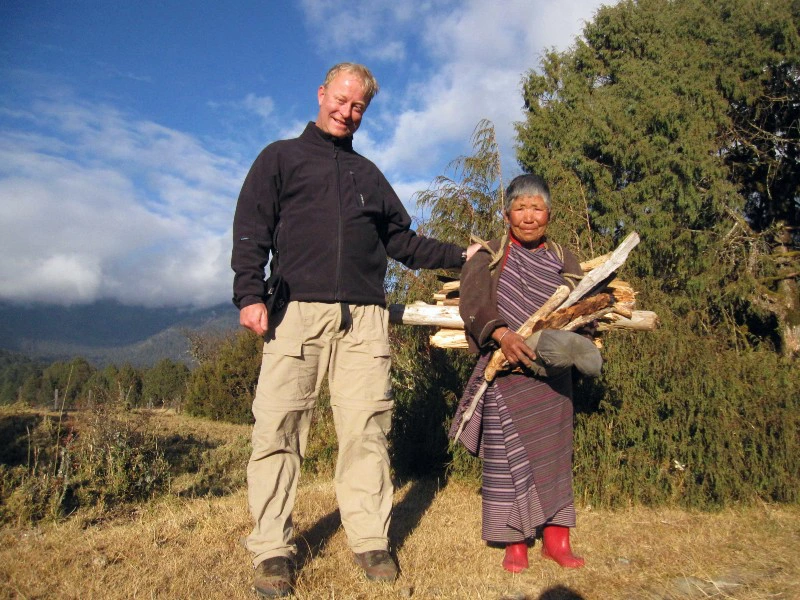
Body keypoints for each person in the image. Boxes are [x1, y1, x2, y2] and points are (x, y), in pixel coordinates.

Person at [232, 62, 476, 598]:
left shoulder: (369, 175)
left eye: (358, 106)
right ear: (321, 94)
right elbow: (252, 229)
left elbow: (404, 243)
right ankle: (272, 549)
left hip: (364, 320)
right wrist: (249, 294)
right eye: (340, 100)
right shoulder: (280, 158)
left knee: (367, 431)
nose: (347, 112)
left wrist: (463, 255)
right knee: (278, 429)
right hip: (295, 314)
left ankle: (369, 539)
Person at [450, 173, 593, 573]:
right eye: (520, 208)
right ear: (506, 214)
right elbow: (473, 302)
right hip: (505, 373)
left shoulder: (564, 258)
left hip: (554, 380)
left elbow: (583, 306)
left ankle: (557, 539)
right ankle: (514, 540)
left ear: (549, 214)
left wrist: (575, 346)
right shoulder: (487, 256)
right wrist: (501, 334)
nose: (529, 216)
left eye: (537, 208)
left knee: (554, 457)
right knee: (505, 460)